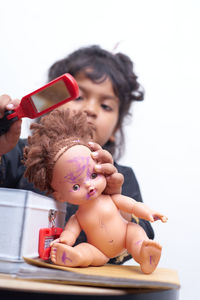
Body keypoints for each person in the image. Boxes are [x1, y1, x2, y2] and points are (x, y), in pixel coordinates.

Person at [0, 45, 154, 264]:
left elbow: (140, 237)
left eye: (106, 106)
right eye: (79, 96)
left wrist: (117, 207)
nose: (91, 109)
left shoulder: (120, 178)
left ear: (116, 130)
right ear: (48, 104)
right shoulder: (16, 154)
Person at [23, 109, 167, 274]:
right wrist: (64, 241)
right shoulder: (77, 217)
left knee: (136, 233)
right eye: (76, 187)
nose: (89, 186)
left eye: (93, 175)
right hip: (99, 251)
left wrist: (148, 213)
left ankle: (143, 254)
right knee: (86, 251)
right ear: (60, 195)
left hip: (126, 236)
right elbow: (70, 232)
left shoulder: (113, 198)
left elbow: (133, 206)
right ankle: (75, 256)